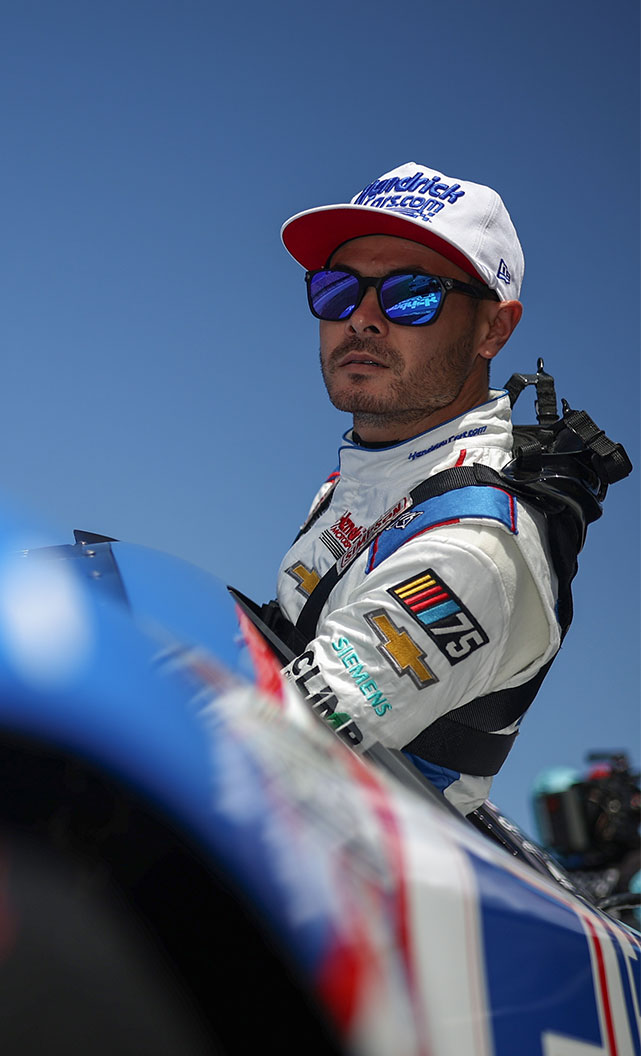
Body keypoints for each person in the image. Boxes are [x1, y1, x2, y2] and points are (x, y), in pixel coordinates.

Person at [264, 161, 561, 812]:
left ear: (492, 329)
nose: (362, 318)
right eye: (338, 290)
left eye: (411, 293)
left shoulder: (474, 542)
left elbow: (277, 743)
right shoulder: (381, 469)